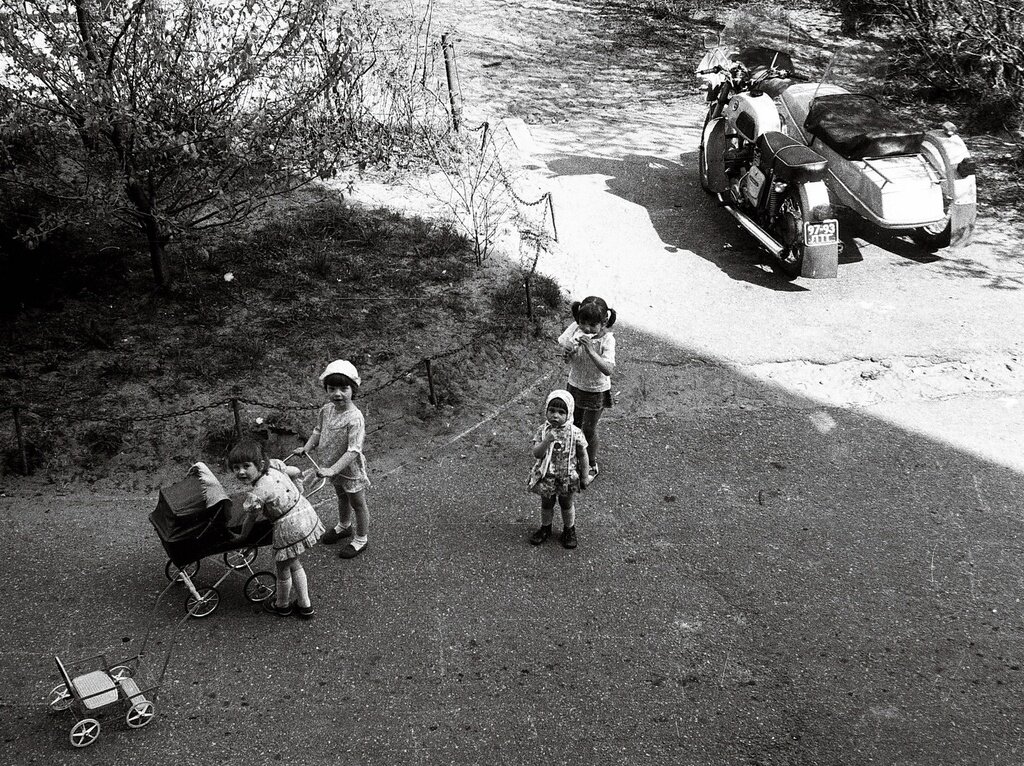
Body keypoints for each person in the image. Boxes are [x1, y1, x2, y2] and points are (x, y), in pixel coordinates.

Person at [228, 439, 325, 619]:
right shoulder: (274, 467)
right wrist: (298, 487)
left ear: (259, 464)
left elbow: (251, 517)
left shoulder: (258, 492)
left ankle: (282, 605)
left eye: (246, 466)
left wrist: (242, 537)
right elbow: (295, 471)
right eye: (236, 468)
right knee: (293, 563)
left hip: (289, 527)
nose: (241, 472)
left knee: (282, 568)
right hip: (303, 513)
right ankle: (305, 605)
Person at [293, 359, 371, 559]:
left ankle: (361, 538)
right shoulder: (326, 410)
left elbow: (354, 450)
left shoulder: (355, 417)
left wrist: (333, 470)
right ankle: (344, 526)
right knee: (341, 496)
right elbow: (318, 431)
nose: (337, 393)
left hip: (348, 469)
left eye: (344, 388)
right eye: (332, 388)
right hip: (330, 465)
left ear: (353, 389)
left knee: (358, 503)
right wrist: (307, 447)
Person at [557, 295, 616, 481]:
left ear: (603, 322)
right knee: (573, 425)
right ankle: (574, 459)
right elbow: (566, 356)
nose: (586, 329)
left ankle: (591, 463)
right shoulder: (574, 329)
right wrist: (567, 353)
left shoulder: (607, 340)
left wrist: (591, 350)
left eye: (592, 325)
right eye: (583, 323)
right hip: (575, 385)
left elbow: (608, 369)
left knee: (589, 429)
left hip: (596, 390)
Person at [527, 389, 591, 549]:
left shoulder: (575, 432)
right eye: (552, 410)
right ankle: (545, 528)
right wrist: (546, 441)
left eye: (561, 412)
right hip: (547, 476)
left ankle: (569, 530)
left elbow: (583, 455)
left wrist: (585, 476)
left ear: (569, 414)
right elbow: (537, 453)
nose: (555, 416)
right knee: (547, 503)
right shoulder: (543, 430)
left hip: (567, 477)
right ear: (546, 411)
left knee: (566, 503)